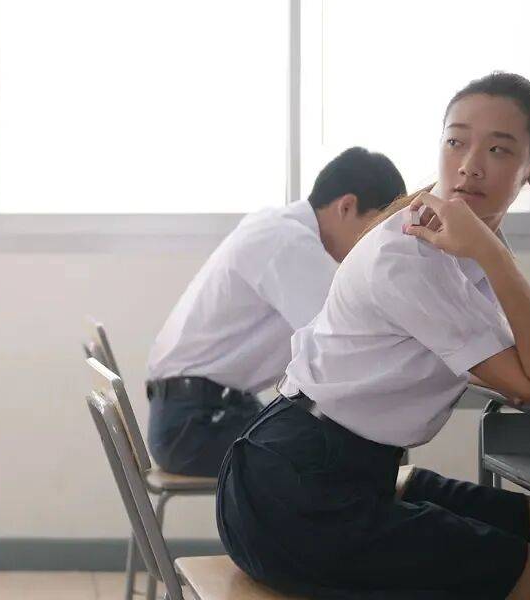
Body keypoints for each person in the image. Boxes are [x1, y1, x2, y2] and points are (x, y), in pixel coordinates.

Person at [217, 72, 530, 598]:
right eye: (456, 142)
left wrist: (488, 250)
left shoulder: (459, 242)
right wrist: (491, 251)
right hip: (298, 493)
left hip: (353, 472)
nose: (470, 164)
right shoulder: (412, 254)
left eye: (498, 149)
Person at [146, 147, 405, 476]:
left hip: (202, 412)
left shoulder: (279, 229)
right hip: (196, 426)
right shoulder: (288, 241)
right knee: (345, 460)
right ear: (346, 206)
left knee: (343, 450)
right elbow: (345, 339)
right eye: (375, 231)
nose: (374, 248)